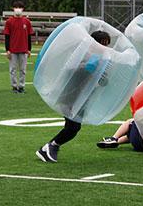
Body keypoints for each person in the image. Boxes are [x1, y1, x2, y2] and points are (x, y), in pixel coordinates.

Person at [36, 31, 111, 163]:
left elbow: (103, 82)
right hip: (70, 96)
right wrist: (88, 68)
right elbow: (72, 70)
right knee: (73, 127)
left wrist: (102, 75)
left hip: (82, 99)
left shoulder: (101, 60)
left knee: (74, 128)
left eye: (106, 44)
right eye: (102, 43)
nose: (104, 47)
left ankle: (51, 146)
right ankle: (50, 147)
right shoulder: (84, 56)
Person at [3, 1, 34, 93]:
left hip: (24, 49)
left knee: (23, 70)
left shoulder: (27, 22)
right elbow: (7, 36)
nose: (18, 9)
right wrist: (7, 50)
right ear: (13, 8)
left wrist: (29, 49)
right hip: (13, 50)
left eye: (20, 7)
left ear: (23, 9)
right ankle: (14, 86)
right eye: (16, 7)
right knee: (13, 69)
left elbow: (29, 36)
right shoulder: (9, 22)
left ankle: (21, 86)